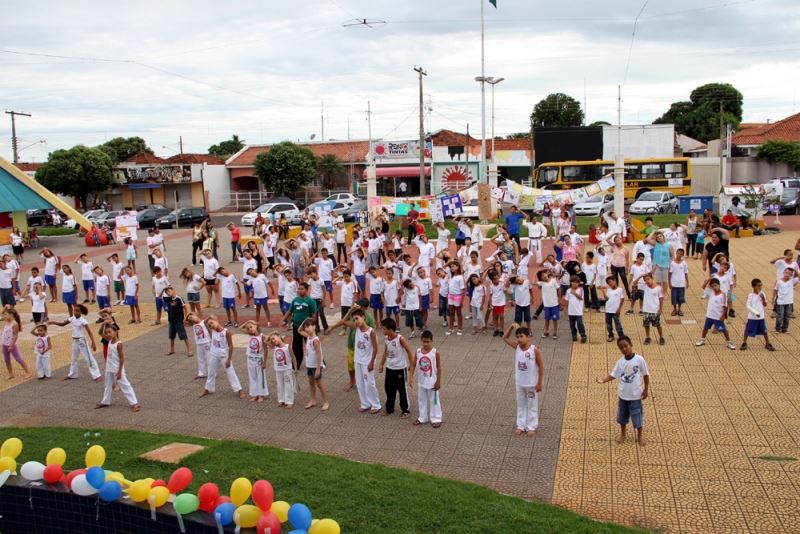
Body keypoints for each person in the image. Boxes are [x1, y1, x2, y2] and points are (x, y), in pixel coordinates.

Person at [596, 336, 649, 446]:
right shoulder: (620, 362)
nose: (624, 349)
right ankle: (623, 434)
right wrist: (603, 380)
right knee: (622, 417)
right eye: (621, 348)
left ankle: (639, 435)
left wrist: (646, 390)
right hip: (623, 396)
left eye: (626, 346)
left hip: (635, 396)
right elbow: (613, 374)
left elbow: (646, 374)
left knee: (637, 416)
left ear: (631, 345)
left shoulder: (639, 359)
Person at [502, 324, 544, 437]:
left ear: (528, 337)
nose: (519, 339)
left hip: (531, 384)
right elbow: (504, 338)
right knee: (521, 404)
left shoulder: (534, 350)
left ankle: (532, 426)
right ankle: (521, 425)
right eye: (517, 336)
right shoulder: (517, 347)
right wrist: (511, 327)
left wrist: (539, 382)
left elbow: (541, 366)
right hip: (519, 383)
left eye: (521, 336)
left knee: (531, 405)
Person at [341, 309, 382, 413]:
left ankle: (376, 405)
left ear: (363, 317)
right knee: (360, 383)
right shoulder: (356, 327)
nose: (356, 321)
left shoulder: (371, 331)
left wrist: (372, 362)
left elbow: (376, 348)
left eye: (357, 318)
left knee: (369, 383)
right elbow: (343, 322)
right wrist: (350, 310)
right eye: (354, 319)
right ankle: (365, 403)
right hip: (357, 360)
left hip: (367, 361)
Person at [49, 304, 101, 381]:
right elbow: (63, 324)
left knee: (89, 358)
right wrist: (53, 322)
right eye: (74, 310)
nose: (75, 312)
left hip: (81, 341)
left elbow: (89, 332)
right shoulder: (72, 318)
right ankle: (72, 374)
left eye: (77, 311)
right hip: (74, 341)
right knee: (74, 358)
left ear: (81, 312)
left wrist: (93, 342)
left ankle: (97, 375)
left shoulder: (83, 321)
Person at [95, 324, 140, 412]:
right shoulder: (109, 340)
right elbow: (100, 332)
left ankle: (134, 403)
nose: (108, 334)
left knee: (125, 385)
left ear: (115, 332)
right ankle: (105, 401)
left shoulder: (118, 344)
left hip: (117, 368)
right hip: (109, 367)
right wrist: (103, 323)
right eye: (107, 332)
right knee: (107, 385)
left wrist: (119, 371)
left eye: (110, 332)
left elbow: (122, 358)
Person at [199, 316, 245, 398]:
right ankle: (207, 389)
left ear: (216, 321)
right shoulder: (211, 331)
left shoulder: (226, 332)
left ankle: (239, 390)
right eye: (209, 325)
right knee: (211, 372)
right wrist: (209, 317)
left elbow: (231, 346)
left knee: (231, 372)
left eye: (212, 323)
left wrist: (229, 359)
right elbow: (204, 323)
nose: (211, 326)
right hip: (213, 355)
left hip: (224, 356)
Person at [379, 317, 413, 417]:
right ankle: (389, 408)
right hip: (390, 368)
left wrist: (411, 364)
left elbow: (409, 350)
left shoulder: (400, 339)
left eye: (384, 328)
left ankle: (405, 410)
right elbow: (385, 352)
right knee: (389, 389)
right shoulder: (386, 339)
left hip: (400, 369)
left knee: (402, 390)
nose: (382, 330)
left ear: (390, 329)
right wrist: (381, 364)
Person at [281, 281, 317, 369]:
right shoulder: (295, 300)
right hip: (296, 327)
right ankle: (296, 364)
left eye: (302, 289)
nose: (299, 290)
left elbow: (314, 315)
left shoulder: (310, 301)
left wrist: (311, 327)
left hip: (306, 328)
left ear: (307, 290)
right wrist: (283, 319)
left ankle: (318, 362)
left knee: (311, 345)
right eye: (299, 289)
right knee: (296, 346)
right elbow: (290, 311)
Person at [410, 330, 442, 428]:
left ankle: (436, 418)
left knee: (434, 401)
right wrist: (411, 377)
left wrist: (438, 381)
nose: (426, 344)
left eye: (428, 341)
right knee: (421, 400)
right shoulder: (418, 352)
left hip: (432, 382)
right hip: (422, 382)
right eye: (424, 341)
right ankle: (422, 417)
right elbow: (413, 364)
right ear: (421, 341)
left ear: (431, 341)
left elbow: (439, 367)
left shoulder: (435, 353)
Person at [298, 317, 329, 411]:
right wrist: (305, 320)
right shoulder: (308, 337)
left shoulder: (315, 340)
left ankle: (326, 401)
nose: (306, 328)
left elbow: (319, 355)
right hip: (309, 365)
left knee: (320, 384)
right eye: (305, 326)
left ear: (314, 326)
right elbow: (299, 330)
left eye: (308, 326)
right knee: (311, 383)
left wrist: (318, 368)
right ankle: (313, 400)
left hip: (316, 366)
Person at [695, 278, 736, 349]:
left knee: (723, 329)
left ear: (719, 285)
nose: (714, 287)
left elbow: (725, 306)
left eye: (715, 285)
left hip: (718, 317)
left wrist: (723, 315)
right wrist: (708, 280)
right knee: (705, 328)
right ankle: (702, 339)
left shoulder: (723, 295)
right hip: (709, 316)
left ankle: (729, 342)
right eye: (712, 286)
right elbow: (703, 287)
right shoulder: (711, 292)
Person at [742, 278, 775, 351]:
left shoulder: (762, 294)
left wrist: (763, 298)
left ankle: (767, 343)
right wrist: (755, 313)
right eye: (758, 286)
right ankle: (744, 343)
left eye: (761, 286)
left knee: (764, 330)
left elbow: (765, 304)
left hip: (761, 317)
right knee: (747, 329)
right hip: (752, 317)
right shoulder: (750, 295)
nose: (760, 287)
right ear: (753, 286)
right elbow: (748, 306)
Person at [240, 320, 268, 402]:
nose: (250, 329)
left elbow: (266, 350)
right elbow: (240, 328)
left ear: (256, 326)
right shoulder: (250, 335)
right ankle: (255, 394)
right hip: (250, 359)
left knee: (260, 377)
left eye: (251, 327)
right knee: (252, 377)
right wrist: (248, 321)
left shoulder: (262, 337)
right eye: (248, 328)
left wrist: (265, 362)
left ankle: (261, 395)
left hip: (259, 360)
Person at [268, 332, 297, 408]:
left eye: (274, 338)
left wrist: (296, 368)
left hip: (287, 369)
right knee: (280, 385)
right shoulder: (275, 347)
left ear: (279, 336)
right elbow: (266, 341)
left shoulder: (287, 347)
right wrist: (270, 336)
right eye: (272, 340)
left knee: (288, 384)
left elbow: (293, 357)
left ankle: (289, 401)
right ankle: (281, 400)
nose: (273, 341)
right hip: (278, 369)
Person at [163, 286, 192, 357]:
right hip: (171, 321)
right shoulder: (168, 299)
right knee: (171, 336)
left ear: (173, 290)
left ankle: (189, 350)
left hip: (178, 320)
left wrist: (186, 317)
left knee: (183, 335)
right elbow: (160, 297)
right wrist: (164, 289)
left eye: (169, 291)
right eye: (167, 292)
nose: (168, 293)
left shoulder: (179, 298)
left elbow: (185, 307)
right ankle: (172, 350)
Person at [2, 308, 30, 379]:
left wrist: (11, 345)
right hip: (4, 343)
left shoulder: (14, 324)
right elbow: (1, 314)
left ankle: (28, 372)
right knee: (6, 359)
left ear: (11, 315)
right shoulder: (7, 321)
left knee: (18, 358)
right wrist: (5, 308)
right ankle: (11, 374)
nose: (4, 316)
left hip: (11, 344)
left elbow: (15, 335)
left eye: (6, 314)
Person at [640, 273, 665, 346]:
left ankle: (661, 337)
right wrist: (641, 276)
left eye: (648, 279)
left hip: (655, 310)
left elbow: (661, 299)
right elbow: (635, 282)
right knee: (646, 325)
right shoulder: (645, 287)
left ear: (652, 278)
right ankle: (648, 337)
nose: (647, 281)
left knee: (658, 325)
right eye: (645, 280)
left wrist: (660, 309)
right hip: (646, 310)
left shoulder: (658, 288)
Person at [773, 267, 799, 333]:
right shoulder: (779, 281)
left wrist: (795, 270)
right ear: (783, 272)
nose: (787, 275)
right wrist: (773, 299)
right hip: (780, 301)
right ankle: (778, 328)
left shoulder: (792, 281)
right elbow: (775, 290)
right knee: (779, 316)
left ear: (791, 275)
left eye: (789, 274)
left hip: (789, 302)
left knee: (787, 316)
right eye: (786, 273)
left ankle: (785, 328)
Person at [187, 312, 210, 380]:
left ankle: (212, 373)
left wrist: (193, 314)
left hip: (206, 342)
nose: (192, 320)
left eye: (191, 317)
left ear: (195, 315)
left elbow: (211, 317)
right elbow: (185, 322)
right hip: (199, 343)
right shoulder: (194, 325)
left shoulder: (203, 322)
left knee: (209, 358)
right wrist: (189, 317)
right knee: (200, 358)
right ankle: (202, 373)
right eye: (190, 320)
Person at [538, 270, 560, 339]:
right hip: (547, 305)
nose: (544, 276)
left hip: (554, 304)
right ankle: (546, 331)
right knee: (547, 319)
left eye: (544, 274)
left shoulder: (553, 280)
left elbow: (558, 289)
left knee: (555, 319)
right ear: (540, 278)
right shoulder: (541, 283)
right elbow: (534, 279)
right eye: (541, 276)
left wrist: (559, 300)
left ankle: (555, 332)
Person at [565, 275, 587, 343]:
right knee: (572, 325)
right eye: (573, 282)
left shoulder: (580, 289)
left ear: (578, 283)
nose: (574, 283)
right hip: (571, 311)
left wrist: (574, 293)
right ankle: (574, 335)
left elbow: (581, 298)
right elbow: (567, 300)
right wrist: (566, 309)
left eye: (576, 282)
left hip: (578, 311)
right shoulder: (568, 290)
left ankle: (583, 335)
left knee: (580, 324)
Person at [603, 276, 625, 342]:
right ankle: (611, 335)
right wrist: (603, 293)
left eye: (610, 282)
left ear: (614, 280)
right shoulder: (609, 290)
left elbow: (622, 299)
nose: (610, 284)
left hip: (615, 311)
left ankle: (621, 336)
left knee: (617, 324)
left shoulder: (620, 290)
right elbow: (607, 299)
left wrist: (619, 309)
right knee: (608, 324)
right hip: (608, 310)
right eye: (608, 283)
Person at [669, 248, 689, 316]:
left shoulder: (684, 263)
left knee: (681, 297)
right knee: (674, 297)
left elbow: (686, 273)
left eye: (681, 254)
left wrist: (687, 282)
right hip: (674, 284)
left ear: (683, 255)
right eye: (678, 253)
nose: (679, 255)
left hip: (681, 284)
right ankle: (674, 309)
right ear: (676, 253)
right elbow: (670, 273)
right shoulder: (672, 263)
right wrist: (669, 282)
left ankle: (679, 309)